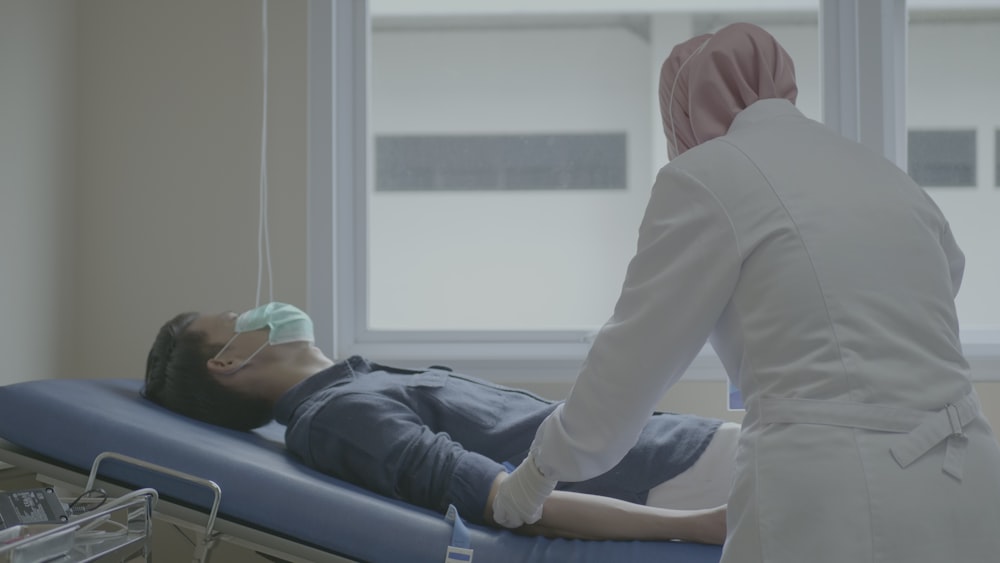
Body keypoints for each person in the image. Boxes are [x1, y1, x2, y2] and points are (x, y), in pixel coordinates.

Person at [492, 22, 1000, 563]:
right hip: (970, 472)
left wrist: (533, 477)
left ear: (685, 114)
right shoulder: (885, 174)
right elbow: (944, 283)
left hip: (836, 493)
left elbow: (626, 367)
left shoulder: (705, 176)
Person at [142, 303, 737, 544]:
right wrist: (703, 526)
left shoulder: (355, 384)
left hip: (682, 449)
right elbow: (510, 501)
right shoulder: (338, 419)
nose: (259, 309)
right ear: (225, 361)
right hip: (673, 480)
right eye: (239, 316)